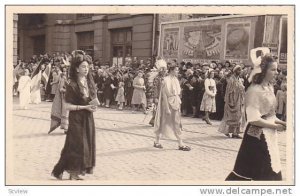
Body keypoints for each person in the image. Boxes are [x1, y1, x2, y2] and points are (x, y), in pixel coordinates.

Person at [226, 48, 286, 181]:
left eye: (276, 69)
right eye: (273, 69)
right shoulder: (253, 90)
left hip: (268, 135)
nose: (276, 72)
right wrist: (275, 127)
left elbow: (270, 115)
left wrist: (281, 122)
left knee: (271, 170)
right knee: (256, 173)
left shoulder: (269, 88)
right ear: (263, 71)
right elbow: (254, 119)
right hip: (256, 138)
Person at [51, 50, 97, 180]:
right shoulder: (72, 84)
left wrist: (93, 106)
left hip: (88, 117)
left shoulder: (89, 83)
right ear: (76, 68)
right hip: (76, 118)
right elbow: (67, 106)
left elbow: (91, 98)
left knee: (82, 144)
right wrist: (84, 107)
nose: (86, 69)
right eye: (83, 66)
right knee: (77, 144)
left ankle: (60, 170)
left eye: (87, 67)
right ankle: (73, 172)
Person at [153, 65, 191, 151]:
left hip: (175, 102)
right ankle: (157, 141)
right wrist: (166, 108)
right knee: (163, 121)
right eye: (176, 70)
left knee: (176, 123)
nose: (177, 72)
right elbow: (164, 95)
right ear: (171, 70)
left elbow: (177, 94)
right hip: (168, 103)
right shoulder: (165, 80)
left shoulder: (176, 79)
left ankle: (180, 143)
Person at [218, 65, 245, 139]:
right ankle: (228, 131)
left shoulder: (239, 79)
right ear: (235, 71)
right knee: (231, 117)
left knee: (238, 116)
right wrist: (230, 101)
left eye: (241, 70)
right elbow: (228, 91)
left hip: (239, 100)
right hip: (232, 100)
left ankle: (235, 133)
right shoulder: (231, 80)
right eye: (238, 70)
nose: (240, 71)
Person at [48, 68, 69, 134]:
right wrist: (67, 91)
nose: (65, 72)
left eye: (66, 71)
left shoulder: (71, 79)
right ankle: (66, 129)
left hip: (71, 99)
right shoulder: (63, 79)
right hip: (65, 98)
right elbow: (60, 89)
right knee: (66, 113)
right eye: (64, 71)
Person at [149, 59, 167, 126]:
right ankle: (154, 121)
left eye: (165, 71)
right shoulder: (157, 78)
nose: (165, 72)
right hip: (158, 95)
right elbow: (155, 88)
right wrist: (155, 97)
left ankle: (160, 121)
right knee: (157, 108)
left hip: (164, 96)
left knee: (163, 108)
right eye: (164, 71)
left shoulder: (165, 78)